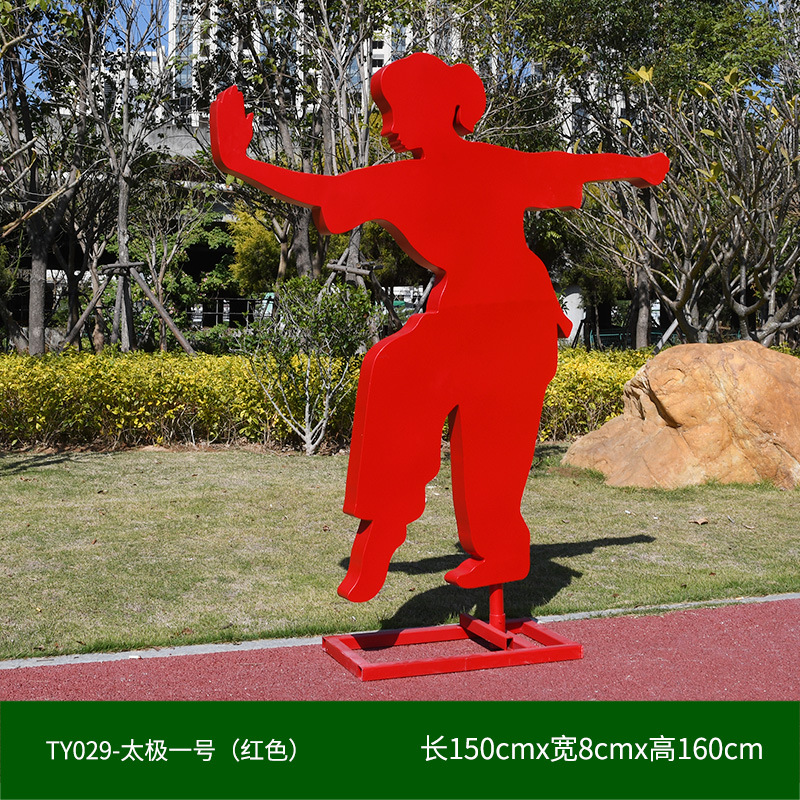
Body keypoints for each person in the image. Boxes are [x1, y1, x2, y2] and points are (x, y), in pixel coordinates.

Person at [210, 52, 669, 603]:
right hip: (463, 315)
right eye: (383, 113)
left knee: (490, 447)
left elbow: (568, 167)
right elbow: (326, 191)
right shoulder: (405, 178)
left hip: (517, 320)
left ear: (432, 106)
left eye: (394, 111)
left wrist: (640, 166)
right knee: (392, 368)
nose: (388, 128)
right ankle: (382, 528)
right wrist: (237, 161)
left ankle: (496, 548)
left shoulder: (494, 165)